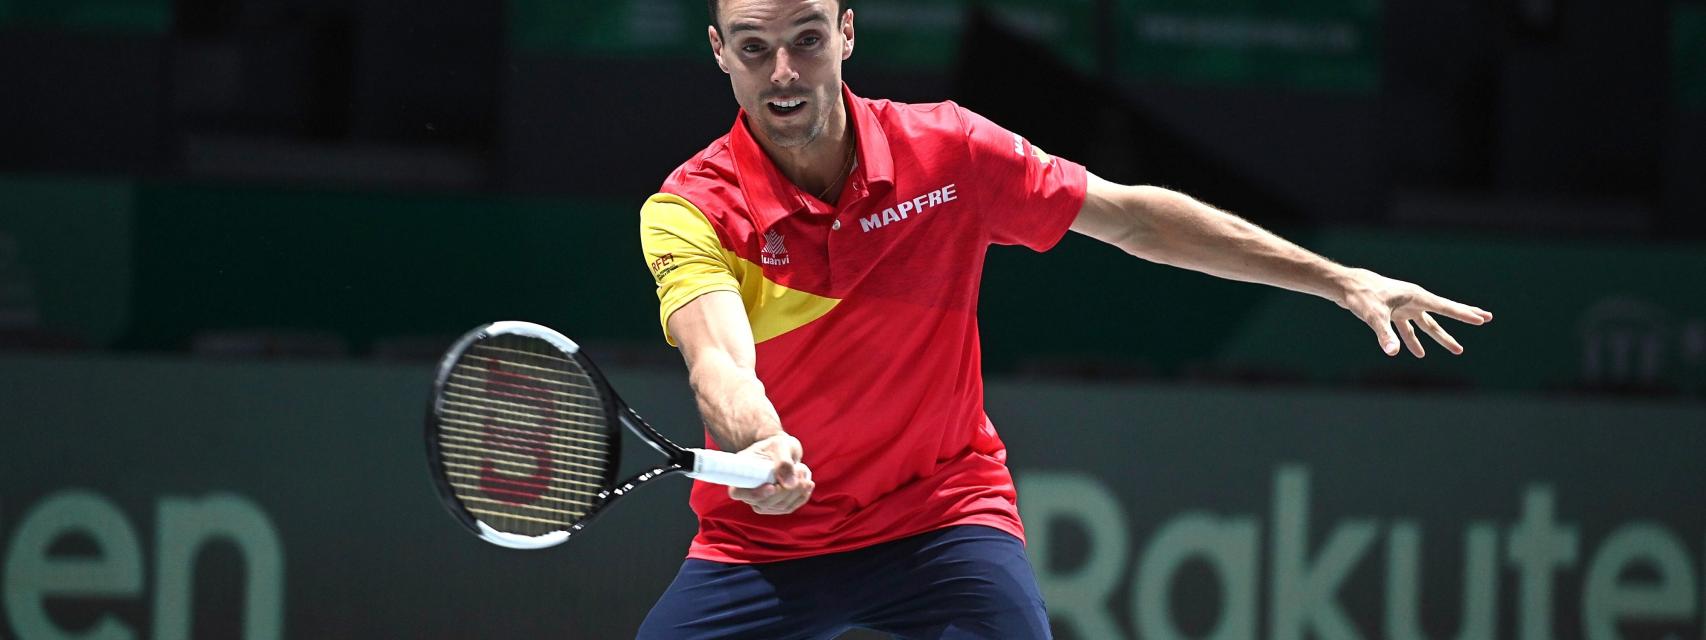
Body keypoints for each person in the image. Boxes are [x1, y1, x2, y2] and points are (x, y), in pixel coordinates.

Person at [636, 0, 1493, 637]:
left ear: (847, 33)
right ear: (721, 53)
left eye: (806, 39)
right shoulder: (690, 209)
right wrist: (762, 441)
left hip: (939, 519)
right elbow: (719, 362)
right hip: (768, 541)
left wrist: (1339, 280)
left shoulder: (950, 152)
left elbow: (1133, 218)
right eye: (754, 49)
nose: (783, 72)